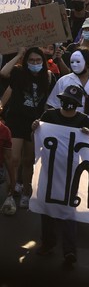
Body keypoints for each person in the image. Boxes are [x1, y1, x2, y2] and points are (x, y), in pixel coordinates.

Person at [32, 85, 89, 265]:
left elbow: (88, 152)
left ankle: (69, 251)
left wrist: (88, 136)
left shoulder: (84, 120)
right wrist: (35, 128)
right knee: (47, 208)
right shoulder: (49, 116)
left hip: (70, 173)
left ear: (77, 104)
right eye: (66, 100)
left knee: (68, 211)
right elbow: (37, 141)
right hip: (49, 170)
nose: (68, 105)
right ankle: (48, 243)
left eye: (72, 102)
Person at [0, 47, 56, 209]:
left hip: (35, 124)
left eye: (38, 60)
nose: (35, 63)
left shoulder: (49, 77)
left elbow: (48, 102)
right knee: (13, 159)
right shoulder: (18, 73)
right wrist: (18, 54)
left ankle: (26, 191)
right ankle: (10, 195)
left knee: (28, 160)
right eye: (31, 60)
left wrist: (44, 120)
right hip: (16, 121)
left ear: (43, 62)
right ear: (26, 61)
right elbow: (3, 73)